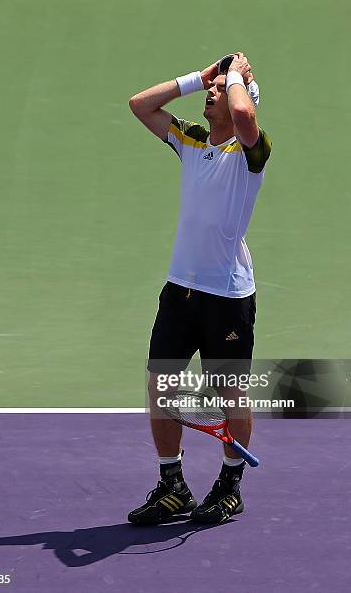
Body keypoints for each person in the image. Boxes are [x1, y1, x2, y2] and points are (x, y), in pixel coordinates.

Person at [127, 52, 272, 525]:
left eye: (218, 91)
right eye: (210, 91)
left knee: (231, 392)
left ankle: (230, 486)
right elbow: (140, 105)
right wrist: (201, 76)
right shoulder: (190, 140)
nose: (211, 93)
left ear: (237, 103)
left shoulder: (252, 152)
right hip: (180, 290)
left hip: (227, 297)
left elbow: (247, 115)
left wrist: (235, 77)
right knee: (160, 388)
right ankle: (173, 486)